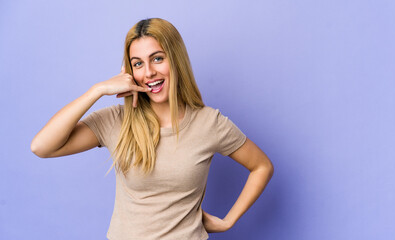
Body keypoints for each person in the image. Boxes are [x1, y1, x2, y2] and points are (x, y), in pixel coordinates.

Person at [31, 18, 274, 240]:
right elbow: (41, 147)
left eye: (158, 58)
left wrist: (227, 221)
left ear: (175, 59)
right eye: (138, 64)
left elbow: (262, 166)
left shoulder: (209, 123)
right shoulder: (118, 120)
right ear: (130, 72)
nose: (149, 72)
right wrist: (98, 90)